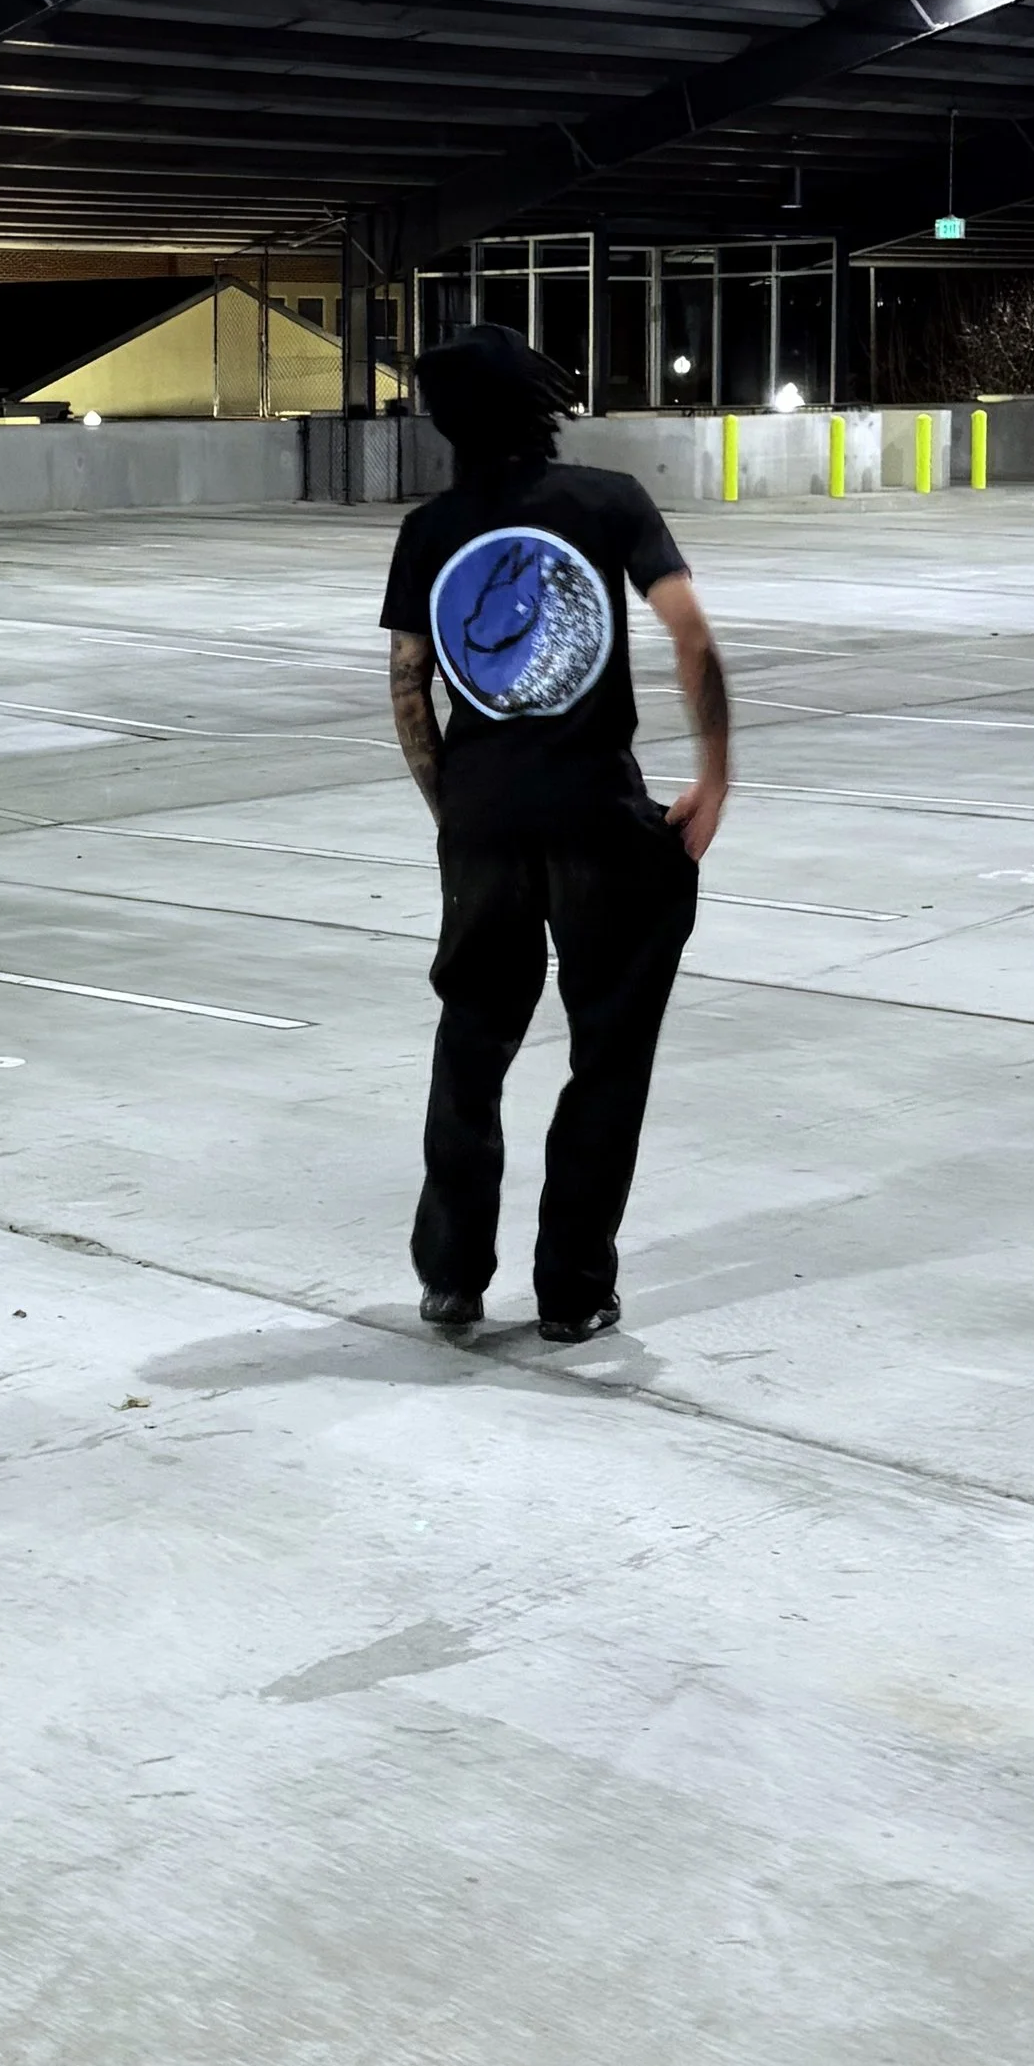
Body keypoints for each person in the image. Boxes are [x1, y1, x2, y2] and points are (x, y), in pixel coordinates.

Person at [379, 321, 730, 1343]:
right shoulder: (610, 502)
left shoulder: (429, 529)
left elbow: (408, 687)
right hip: (592, 809)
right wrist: (712, 773)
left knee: (470, 1042)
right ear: (543, 405)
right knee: (608, 1051)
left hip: (482, 811)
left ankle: (451, 1277)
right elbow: (688, 632)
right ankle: (572, 1290)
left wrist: (456, 813)